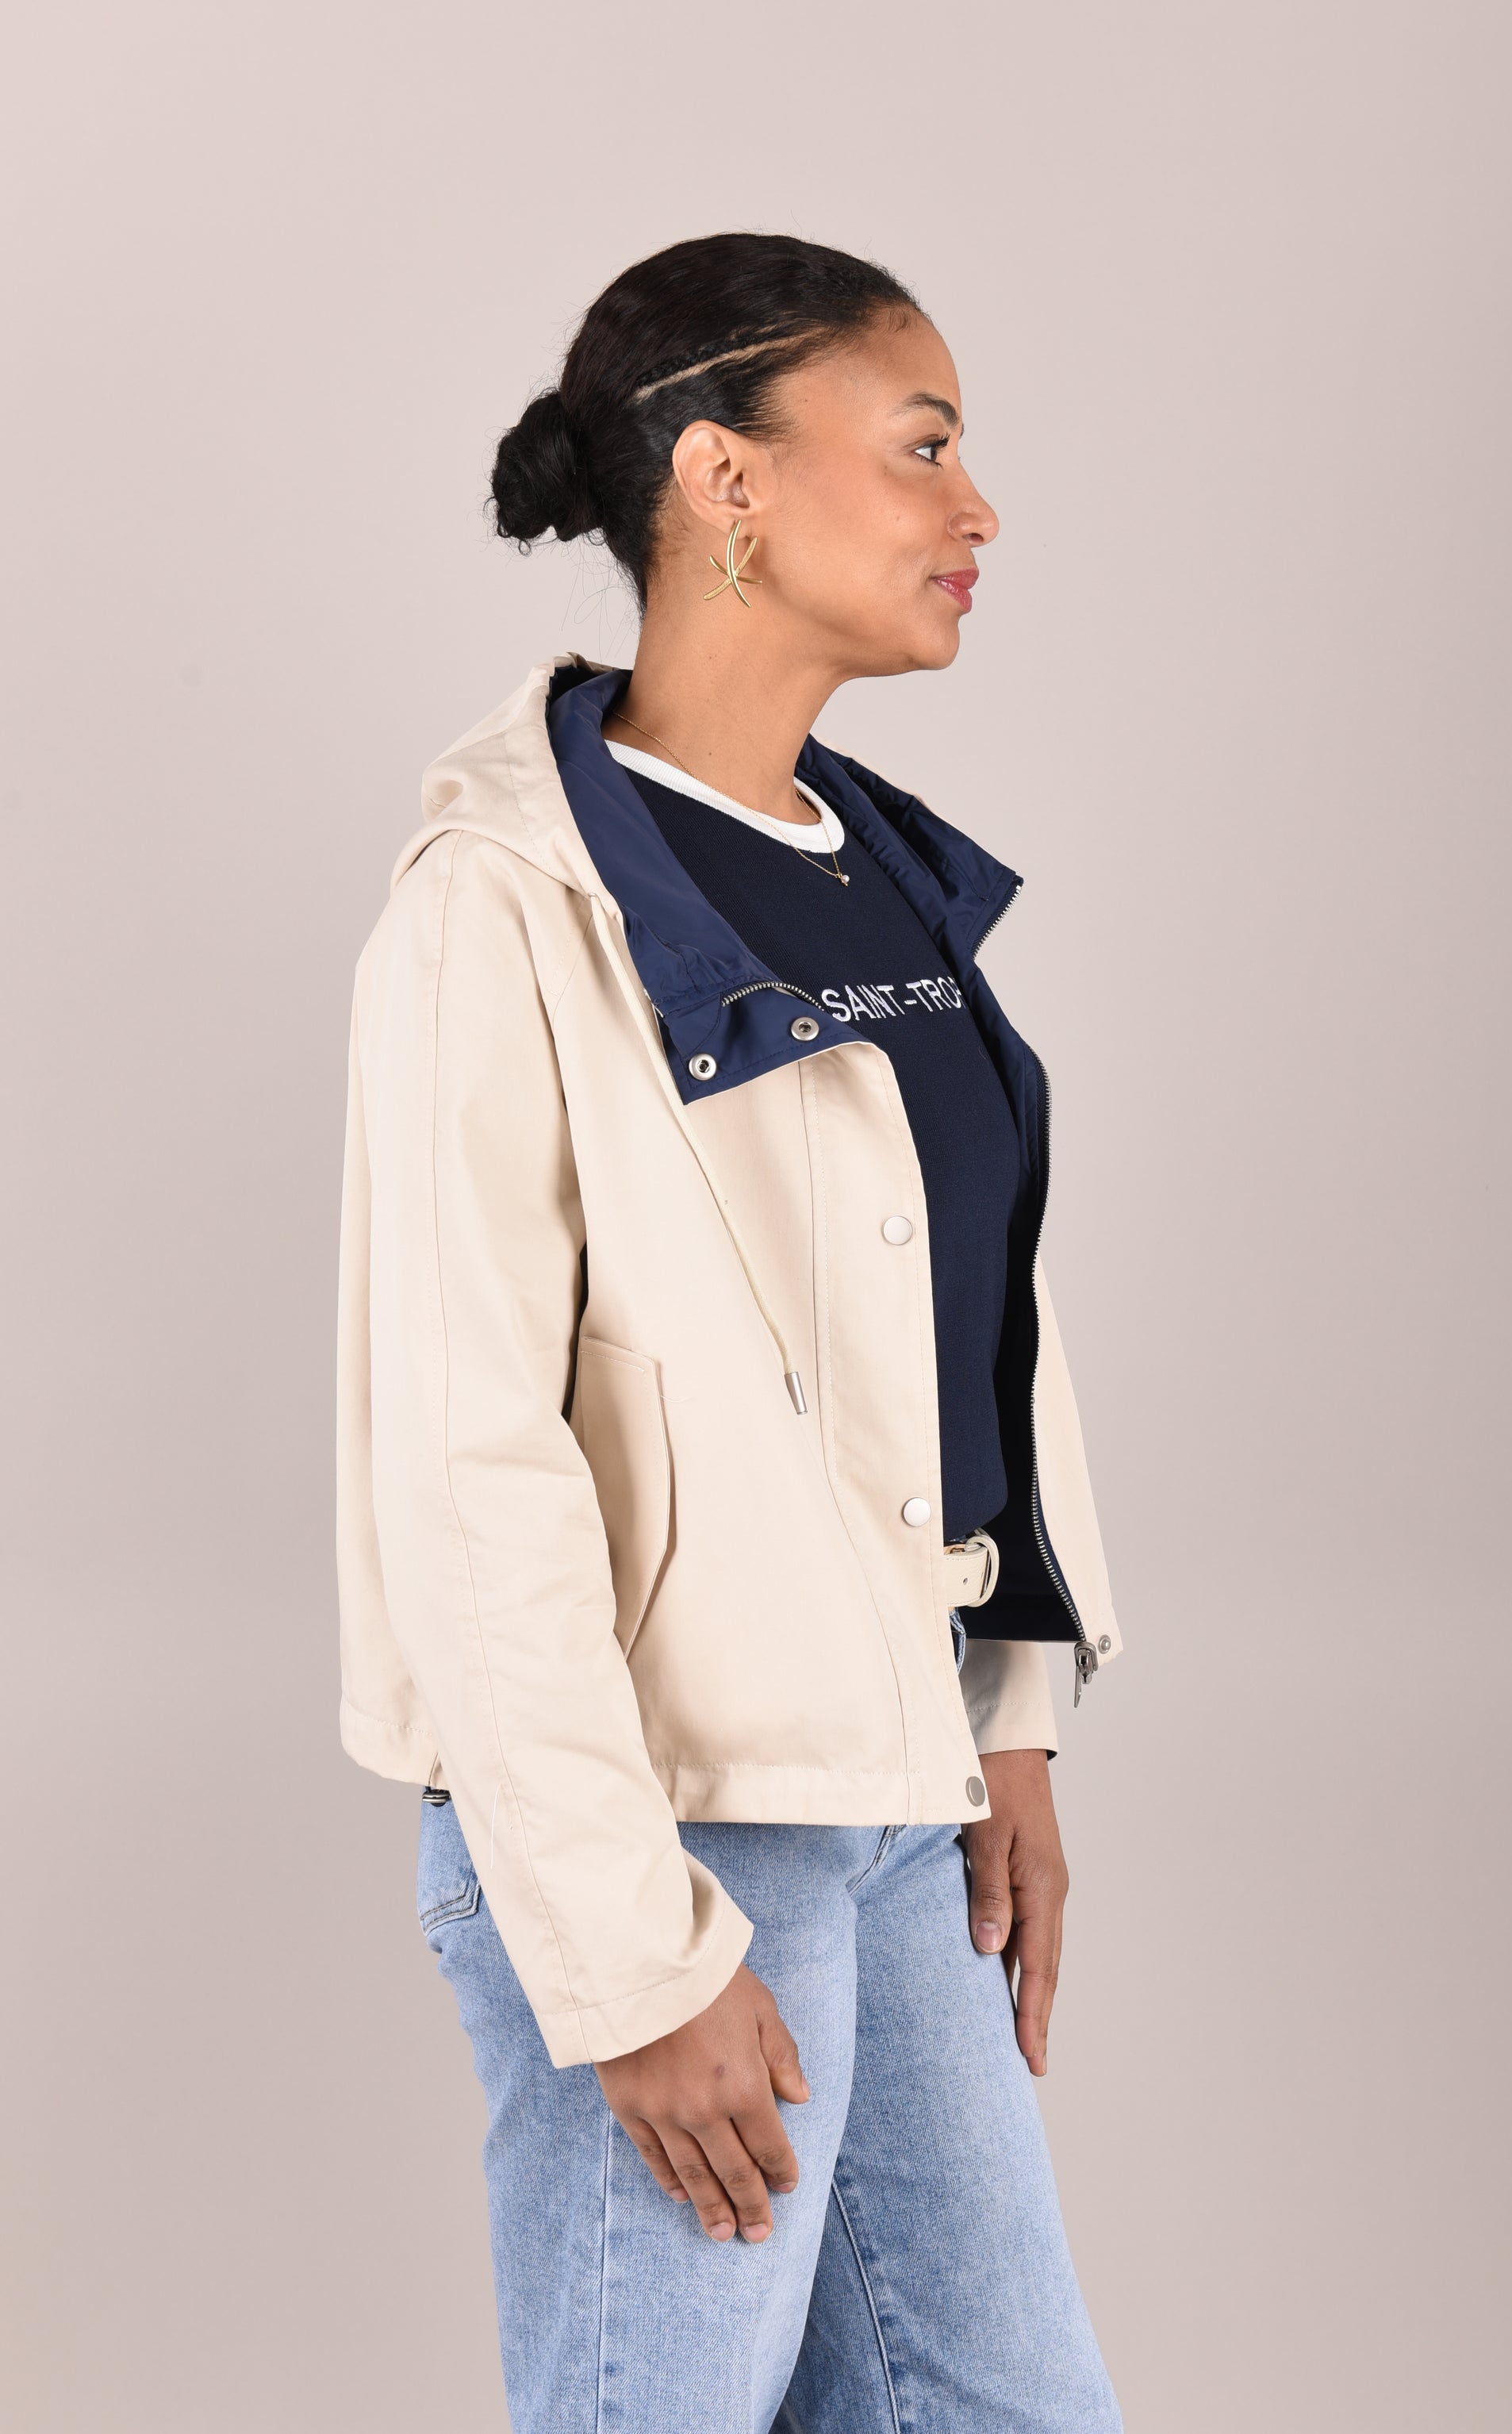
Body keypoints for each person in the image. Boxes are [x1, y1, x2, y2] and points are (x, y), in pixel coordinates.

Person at [336, 231, 1125, 2433]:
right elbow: (468, 1462)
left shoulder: (882, 871)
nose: (977, 509)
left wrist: (1009, 1717)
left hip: (896, 1797)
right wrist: (621, 1953)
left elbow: (960, 1329)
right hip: (668, 1831)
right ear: (727, 479)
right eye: (924, 446)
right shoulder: (509, 906)